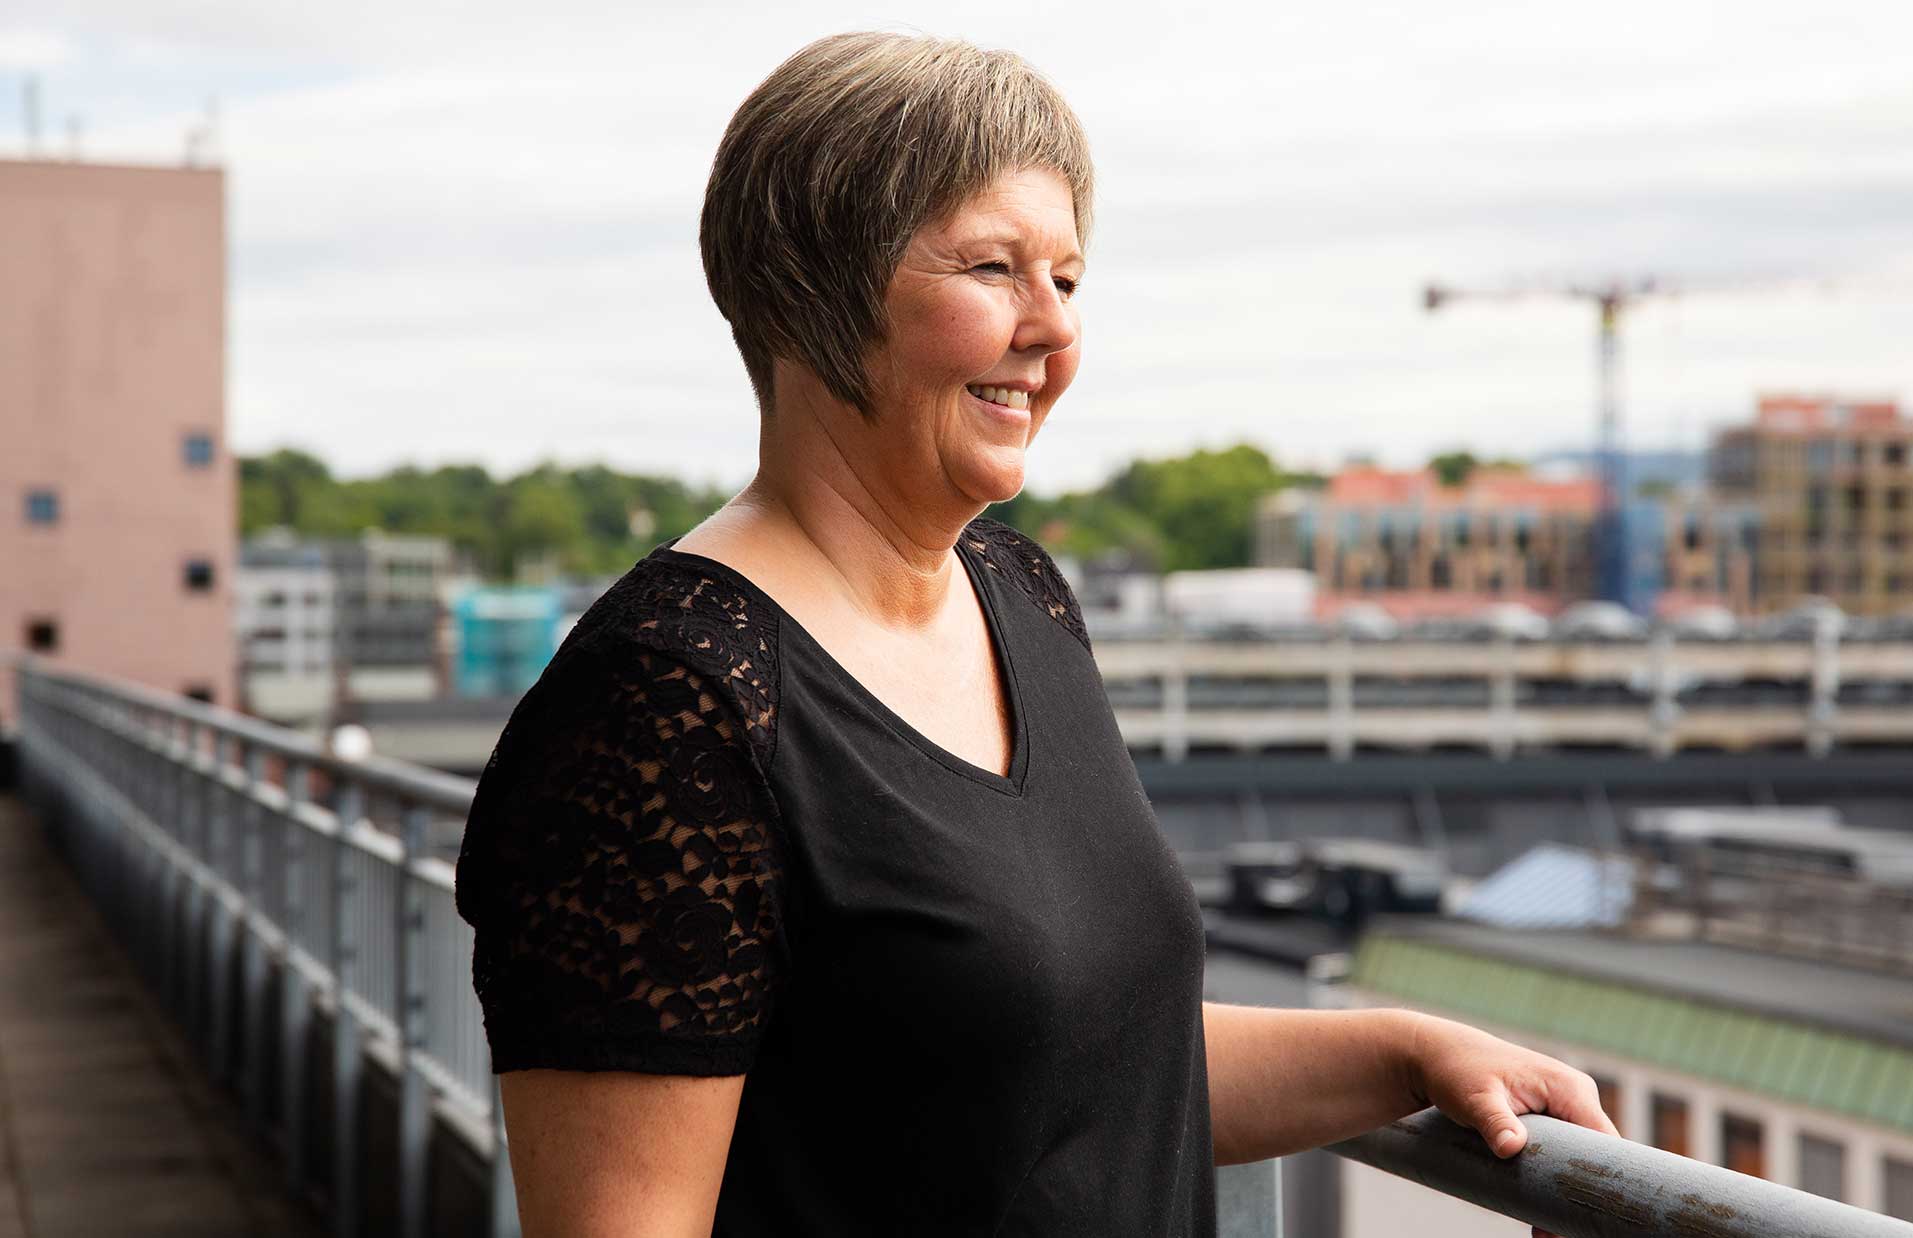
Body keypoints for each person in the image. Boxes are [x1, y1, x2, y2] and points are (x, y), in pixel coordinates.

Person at [453, 30, 1614, 1236]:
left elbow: (1060, 1065)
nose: (1051, 331)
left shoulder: (1019, 592)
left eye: (1066, 278)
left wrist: (1404, 1048)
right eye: (995, 268)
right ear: (816, 290)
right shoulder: (666, 705)